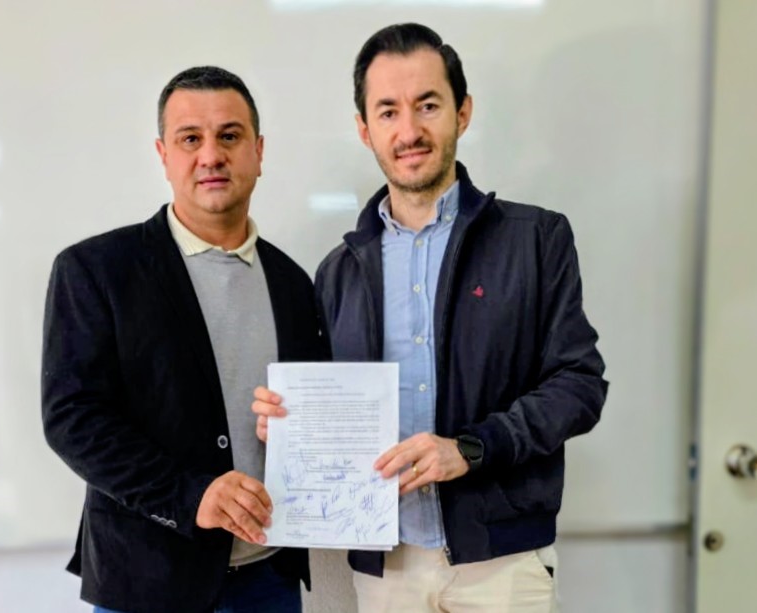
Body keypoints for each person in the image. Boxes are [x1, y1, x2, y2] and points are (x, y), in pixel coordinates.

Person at [253, 23, 608, 612]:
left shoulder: (536, 239)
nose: (409, 131)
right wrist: (290, 427)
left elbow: (580, 384)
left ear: (462, 112)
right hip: (385, 566)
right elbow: (330, 410)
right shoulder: (337, 272)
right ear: (365, 129)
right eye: (388, 111)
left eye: (428, 105)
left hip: (502, 564)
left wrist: (470, 448)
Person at [42, 66, 323, 613]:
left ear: (259, 152)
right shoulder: (97, 270)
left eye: (230, 136)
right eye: (190, 139)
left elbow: (308, 415)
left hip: (268, 579)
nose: (211, 155)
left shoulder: (294, 283)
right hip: (147, 582)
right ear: (163, 155)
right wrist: (190, 495)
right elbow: (72, 419)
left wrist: (298, 427)